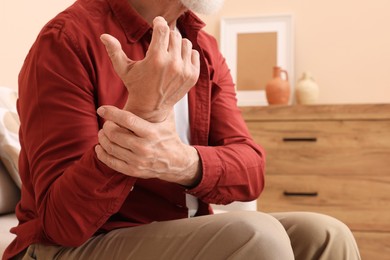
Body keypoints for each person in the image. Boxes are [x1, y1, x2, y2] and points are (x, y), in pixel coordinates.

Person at [4, 0, 361, 259]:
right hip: (71, 246)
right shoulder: (68, 39)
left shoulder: (202, 46)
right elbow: (61, 223)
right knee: (257, 236)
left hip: (177, 228)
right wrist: (144, 111)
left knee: (327, 234)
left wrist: (185, 164)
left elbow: (250, 170)